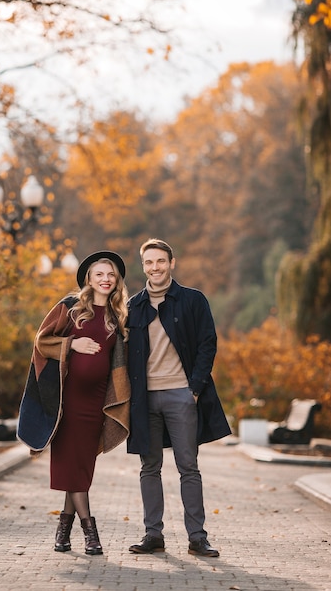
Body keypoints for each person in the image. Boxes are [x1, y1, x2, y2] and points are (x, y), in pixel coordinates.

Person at [17, 251, 130, 556]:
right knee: (74, 469)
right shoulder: (70, 308)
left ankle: (62, 530)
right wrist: (72, 344)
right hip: (67, 405)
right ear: (89, 280)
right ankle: (90, 532)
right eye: (99, 275)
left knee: (80, 469)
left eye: (111, 275)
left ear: (116, 280)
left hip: (96, 406)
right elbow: (42, 341)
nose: (106, 280)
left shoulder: (117, 317)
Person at [126, 238, 231, 557]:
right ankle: (153, 535)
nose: (154, 268)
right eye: (148, 262)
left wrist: (194, 389)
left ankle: (197, 537)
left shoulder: (192, 300)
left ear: (172, 263)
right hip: (145, 400)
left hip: (181, 396)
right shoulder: (134, 306)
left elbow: (207, 343)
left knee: (188, 465)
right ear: (142, 266)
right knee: (149, 467)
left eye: (160, 261)